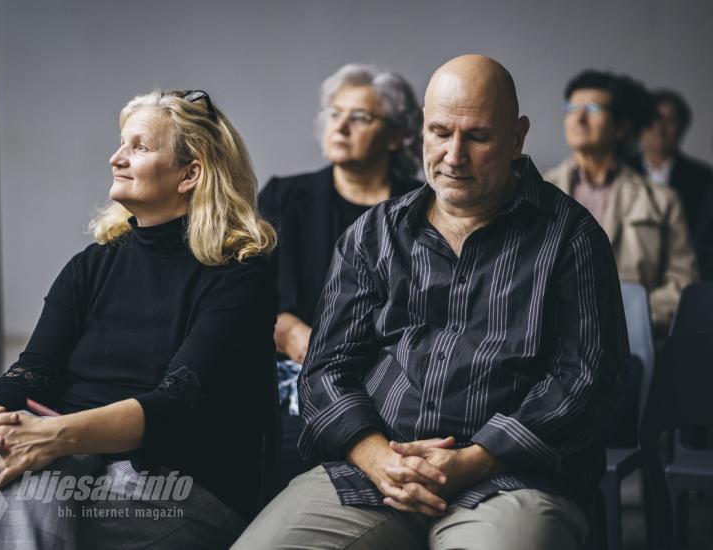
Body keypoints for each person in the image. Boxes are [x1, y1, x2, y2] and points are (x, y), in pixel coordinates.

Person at [233, 55, 628, 550]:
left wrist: (479, 458)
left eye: (478, 137)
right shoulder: (374, 234)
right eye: (440, 132)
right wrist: (378, 457)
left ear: (517, 137)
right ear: (422, 129)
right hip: (374, 475)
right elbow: (325, 370)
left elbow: (588, 377)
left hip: (511, 481)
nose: (454, 155)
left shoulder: (570, 236)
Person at [0, 89, 277, 549]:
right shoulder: (90, 266)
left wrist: (52, 437)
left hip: (180, 482)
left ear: (191, 174)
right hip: (71, 459)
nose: (116, 158)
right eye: (121, 144)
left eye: (139, 147)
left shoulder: (239, 276)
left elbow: (176, 404)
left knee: (12, 504)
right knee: (16, 492)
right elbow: (34, 369)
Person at [258, 64, 423, 484]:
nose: (341, 126)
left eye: (360, 117)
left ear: (397, 134)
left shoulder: (423, 207)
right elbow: (241, 297)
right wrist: (292, 331)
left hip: (395, 382)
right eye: (335, 113)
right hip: (294, 383)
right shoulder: (285, 197)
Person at [545, 70, 697, 335]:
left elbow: (683, 283)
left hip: (632, 345)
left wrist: (628, 315)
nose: (579, 118)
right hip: (550, 339)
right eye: (572, 108)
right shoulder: (540, 191)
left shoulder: (661, 200)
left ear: (621, 127)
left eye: (592, 108)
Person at [636, 89, 713, 279]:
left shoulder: (704, 178)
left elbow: (704, 242)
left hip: (688, 278)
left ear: (682, 128)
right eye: (653, 119)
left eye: (669, 121)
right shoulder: (621, 172)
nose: (659, 128)